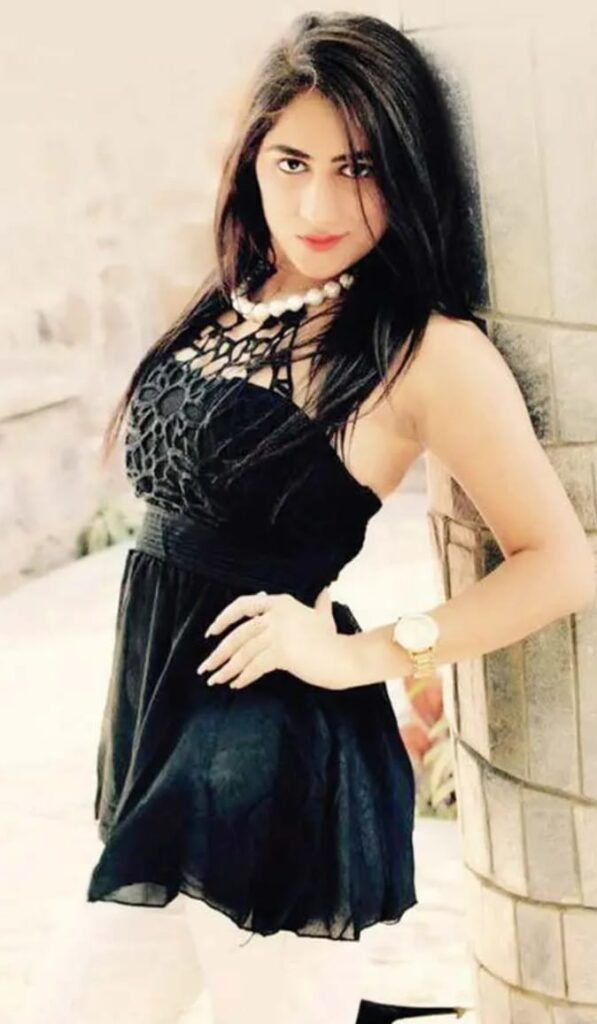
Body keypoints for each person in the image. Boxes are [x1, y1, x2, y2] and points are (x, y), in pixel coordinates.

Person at [19, 10, 595, 1024]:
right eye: (291, 162)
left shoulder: (427, 353)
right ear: (252, 159)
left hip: (270, 767)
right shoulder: (238, 297)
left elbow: (558, 562)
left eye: (357, 168)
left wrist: (362, 653)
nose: (318, 203)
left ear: (406, 173)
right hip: (160, 741)